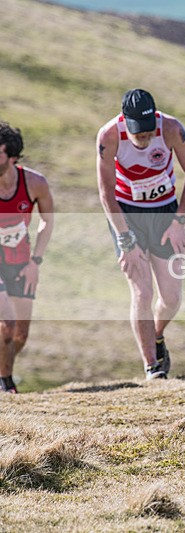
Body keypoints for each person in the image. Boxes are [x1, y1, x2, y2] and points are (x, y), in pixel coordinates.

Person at [97, 89, 185, 380]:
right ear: (124, 122)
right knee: (142, 292)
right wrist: (125, 238)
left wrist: (179, 220)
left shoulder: (170, 129)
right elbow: (106, 192)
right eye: (137, 134)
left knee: (171, 297)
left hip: (164, 214)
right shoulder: (109, 136)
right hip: (127, 217)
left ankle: (156, 334)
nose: (143, 139)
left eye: (147, 133)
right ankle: (152, 366)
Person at [0, 122, 55, 393]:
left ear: (11, 156)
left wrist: (36, 262)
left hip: (20, 261)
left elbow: (47, 221)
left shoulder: (34, 183)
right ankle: (6, 385)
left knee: (20, 334)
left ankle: (2, 372)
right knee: (7, 325)